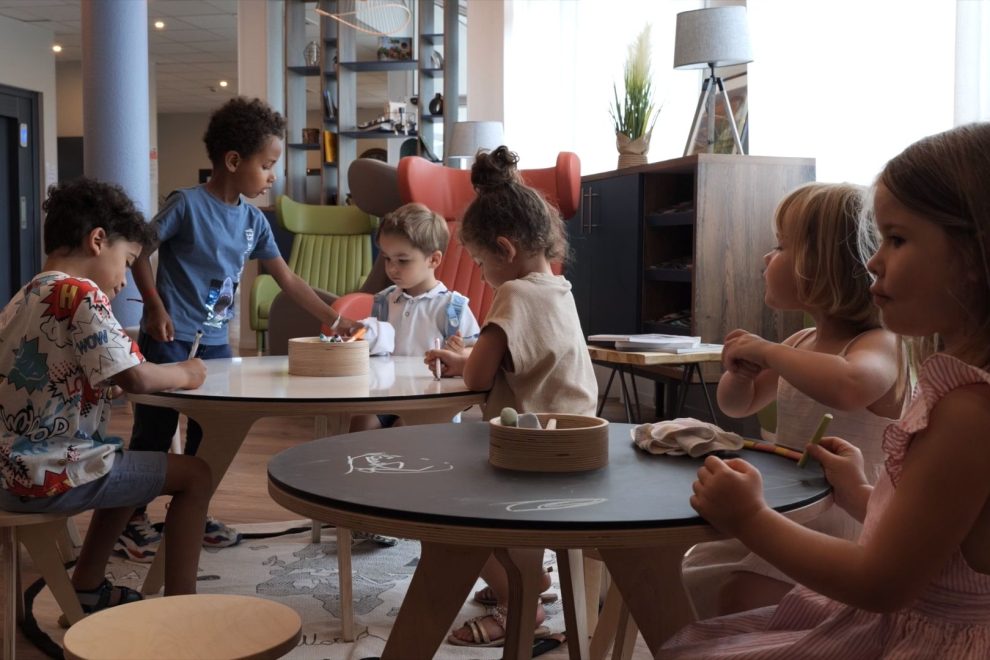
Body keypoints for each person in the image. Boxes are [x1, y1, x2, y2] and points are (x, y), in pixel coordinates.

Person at [660, 122, 990, 658]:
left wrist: (749, 519)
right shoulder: (959, 398)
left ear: (975, 259)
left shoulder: (967, 411)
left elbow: (882, 582)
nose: (874, 261)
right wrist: (861, 491)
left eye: (897, 239)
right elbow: (936, 536)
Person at [117, 96, 360, 562]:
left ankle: (193, 509)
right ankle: (130, 517)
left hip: (215, 346)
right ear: (233, 161)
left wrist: (334, 316)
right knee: (154, 432)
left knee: (213, 435)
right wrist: (153, 307)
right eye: (267, 165)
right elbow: (138, 249)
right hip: (169, 343)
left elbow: (287, 279)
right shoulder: (186, 205)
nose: (273, 176)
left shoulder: (253, 220)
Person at [681, 182, 906, 618]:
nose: (767, 258)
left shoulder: (879, 344)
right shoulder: (801, 342)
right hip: (788, 508)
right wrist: (739, 376)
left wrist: (767, 352)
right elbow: (736, 406)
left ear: (825, 266)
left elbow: (850, 385)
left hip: (846, 519)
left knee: (738, 599)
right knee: (690, 578)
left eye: (781, 246)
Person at [0, 178, 211, 606]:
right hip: (43, 473)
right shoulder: (81, 294)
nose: (124, 282)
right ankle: (186, 608)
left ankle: (89, 587)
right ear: (98, 240)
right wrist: (188, 373)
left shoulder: (25, 295)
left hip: (10, 466)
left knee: (129, 463)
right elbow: (137, 378)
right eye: (128, 260)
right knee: (195, 475)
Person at [427, 146, 598, 647]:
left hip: (534, 454)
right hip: (576, 444)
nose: (480, 274)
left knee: (444, 514)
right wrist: (474, 356)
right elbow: (520, 357)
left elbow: (479, 380)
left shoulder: (514, 294)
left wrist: (466, 363)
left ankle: (521, 596)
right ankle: (521, 575)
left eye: (480, 263)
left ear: (504, 250)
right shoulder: (557, 288)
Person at [350, 202, 480, 432]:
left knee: (405, 431)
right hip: (385, 395)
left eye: (403, 260)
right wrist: (359, 337)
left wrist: (459, 354)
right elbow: (371, 345)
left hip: (431, 401)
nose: (392, 268)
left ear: (434, 260)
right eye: (387, 259)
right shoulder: (383, 301)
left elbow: (477, 354)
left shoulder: (452, 307)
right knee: (361, 425)